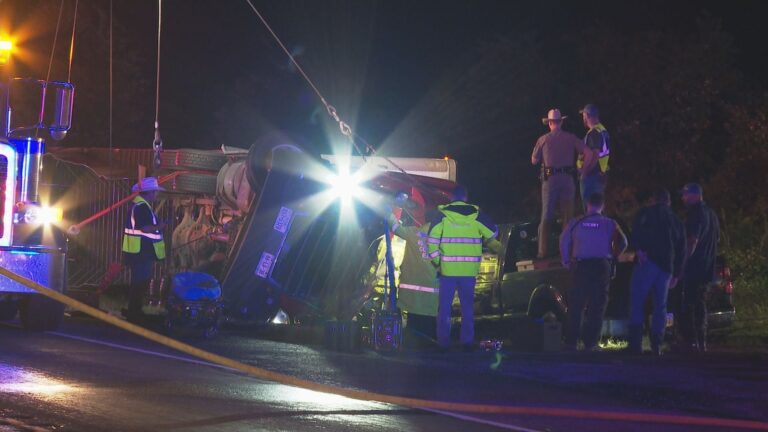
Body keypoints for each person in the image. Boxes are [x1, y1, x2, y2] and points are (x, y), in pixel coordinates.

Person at [428, 185, 499, 351]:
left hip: (447, 272)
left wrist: (438, 262)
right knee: (467, 308)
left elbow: (431, 241)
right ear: (466, 197)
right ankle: (466, 341)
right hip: (468, 272)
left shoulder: (442, 216)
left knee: (444, 309)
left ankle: (443, 341)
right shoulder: (477, 216)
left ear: (452, 197)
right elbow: (493, 232)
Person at [560, 192, 627, 351]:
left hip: (581, 266)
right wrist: (614, 256)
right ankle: (591, 343)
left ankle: (571, 342)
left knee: (576, 305)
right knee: (597, 306)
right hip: (601, 266)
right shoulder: (610, 223)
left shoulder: (576, 222)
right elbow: (624, 242)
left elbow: (563, 240)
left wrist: (566, 260)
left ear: (587, 204)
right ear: (602, 206)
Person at [627, 188, 686, 355]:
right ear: (668, 201)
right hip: (667, 267)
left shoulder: (645, 213)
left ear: (654, 199)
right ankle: (657, 344)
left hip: (647, 261)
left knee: (637, 301)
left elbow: (636, 231)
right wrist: (677, 273)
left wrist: (639, 249)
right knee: (661, 306)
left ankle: (635, 344)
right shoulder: (676, 220)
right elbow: (682, 248)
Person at [531, 108, 595, 259]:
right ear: (561, 122)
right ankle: (567, 250)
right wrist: (583, 169)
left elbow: (533, 160)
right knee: (568, 217)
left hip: (550, 181)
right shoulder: (571, 138)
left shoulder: (543, 139)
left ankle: (542, 252)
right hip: (567, 179)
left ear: (549, 123)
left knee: (546, 216)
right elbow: (589, 153)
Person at [389, 189, 439, 339]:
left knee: (413, 332)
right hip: (432, 297)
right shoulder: (441, 237)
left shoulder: (413, 233)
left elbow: (394, 227)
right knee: (429, 329)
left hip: (412, 298)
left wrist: (391, 208)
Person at [679, 183, 720, 352]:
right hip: (708, 266)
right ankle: (702, 341)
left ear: (694, 196)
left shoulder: (696, 213)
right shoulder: (712, 214)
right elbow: (717, 240)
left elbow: (692, 241)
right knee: (700, 303)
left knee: (689, 304)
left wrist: (682, 264)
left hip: (694, 266)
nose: (683, 199)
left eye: (685, 195)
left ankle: (691, 342)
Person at [122, 177, 167, 323]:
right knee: (140, 283)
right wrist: (160, 227)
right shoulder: (142, 207)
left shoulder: (139, 205)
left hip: (139, 252)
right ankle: (134, 314)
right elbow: (145, 228)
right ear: (149, 193)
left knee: (139, 282)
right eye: (155, 192)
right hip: (141, 253)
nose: (156, 195)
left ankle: (134, 311)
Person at [578, 104, 611, 210]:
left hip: (591, 177)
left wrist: (584, 172)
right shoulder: (603, 130)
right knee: (598, 209)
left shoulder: (593, 133)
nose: (583, 118)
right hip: (599, 174)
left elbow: (594, 155)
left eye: (583, 115)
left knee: (590, 210)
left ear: (587, 115)